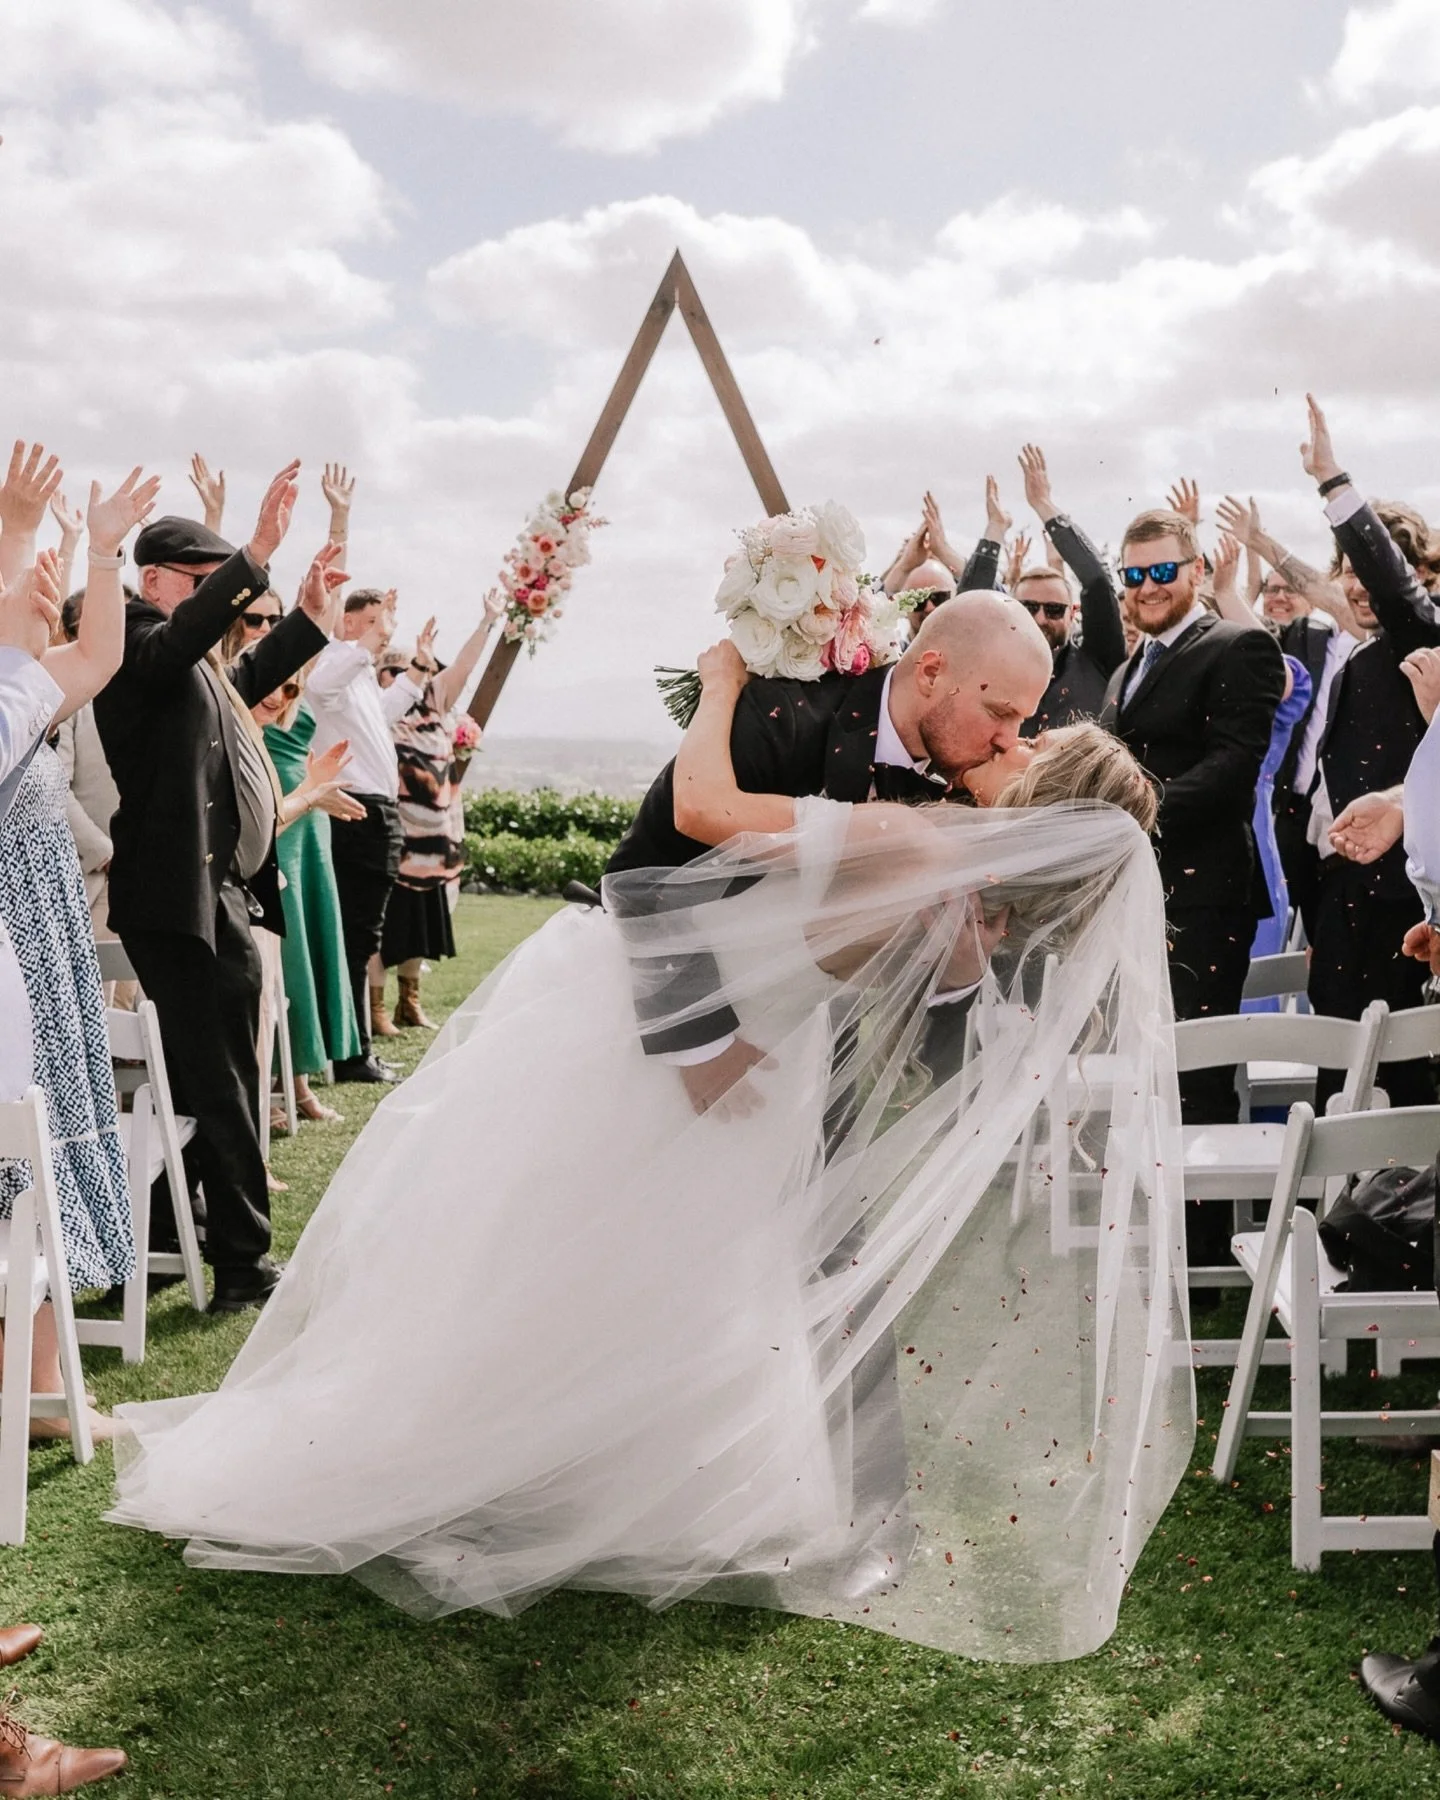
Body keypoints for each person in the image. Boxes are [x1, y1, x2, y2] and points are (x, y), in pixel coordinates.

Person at [108, 627, 1191, 1667]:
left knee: (602, 1265)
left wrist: (718, 689)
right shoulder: (957, 887)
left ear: (1044, 801)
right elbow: (796, 935)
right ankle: (575, 1473)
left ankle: (519, 1462)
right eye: (1013, 718)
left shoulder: (920, 845)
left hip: (727, 1054)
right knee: (636, 1272)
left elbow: (709, 812)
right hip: (724, 1047)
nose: (1014, 736)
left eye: (1032, 741)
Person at [607, 591, 1055, 1108]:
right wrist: (701, 1047)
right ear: (931, 672)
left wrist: (962, 977)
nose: (1009, 739)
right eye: (1000, 712)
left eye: (1022, 722)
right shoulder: (785, 717)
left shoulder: (967, 796)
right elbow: (643, 872)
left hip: (798, 1065)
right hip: (657, 1026)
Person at [93, 467, 348, 1314]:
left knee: (208, 1071)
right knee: (225, 1079)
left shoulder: (182, 657)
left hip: (212, 892)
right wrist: (258, 551)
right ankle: (243, 1263)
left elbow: (238, 684)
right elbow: (182, 649)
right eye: (202, 582)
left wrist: (308, 618)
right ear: (154, 580)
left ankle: (171, 1233)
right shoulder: (132, 637)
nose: (218, 599)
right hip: (177, 900)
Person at [0, 466, 161, 1449]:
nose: (37, 596)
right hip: (17, 948)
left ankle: (41, 1382)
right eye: (27, 589)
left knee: (51, 1137)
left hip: (49, 936)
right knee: (30, 1144)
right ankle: (31, 1387)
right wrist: (24, 536)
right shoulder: (11, 696)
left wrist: (101, 553)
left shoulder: (26, 689)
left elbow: (98, 653)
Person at [1101, 506, 1285, 1146]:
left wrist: (1130, 817)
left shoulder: (1237, 647)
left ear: (1197, 569)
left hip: (1203, 898)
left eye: (1162, 571)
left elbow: (1233, 768)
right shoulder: (1127, 668)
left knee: (1195, 1078)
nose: (1147, 587)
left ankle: (1206, 1213)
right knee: (1142, 1074)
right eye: (1134, 575)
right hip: (1132, 897)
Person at [1288, 397, 1440, 1110]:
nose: (1357, 583)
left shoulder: (1425, 640)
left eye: (1369, 568)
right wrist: (1318, 912)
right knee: (1333, 1086)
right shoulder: (1354, 660)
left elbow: (1394, 587)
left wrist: (1332, 481)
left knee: (1403, 1092)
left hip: (1408, 909)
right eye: (1345, 570)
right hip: (1345, 907)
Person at [1216, 491, 1360, 936]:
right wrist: (1229, 587)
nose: (1358, 587)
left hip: (1353, 814)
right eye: (1350, 573)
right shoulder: (1300, 640)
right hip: (1288, 811)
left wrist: (1258, 542)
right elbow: (1256, 642)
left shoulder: (1381, 641)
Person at [305, 586, 425, 1081]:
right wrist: (369, 643)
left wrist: (420, 664)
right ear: (349, 622)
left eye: (385, 622)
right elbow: (319, 689)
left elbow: (384, 712)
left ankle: (356, 1047)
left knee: (363, 933)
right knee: (357, 935)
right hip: (357, 815)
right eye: (373, 622)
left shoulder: (359, 675)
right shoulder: (333, 662)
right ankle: (352, 1054)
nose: (384, 632)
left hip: (378, 814)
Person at [374, 592, 504, 1030]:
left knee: (419, 925)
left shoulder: (435, 704)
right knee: (383, 925)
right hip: (392, 839)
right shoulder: (377, 711)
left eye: (417, 668)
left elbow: (465, 667)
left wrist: (487, 622)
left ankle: (409, 1003)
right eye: (394, 670)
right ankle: (375, 1007)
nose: (408, 676)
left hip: (432, 845)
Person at [255, 673, 364, 1116]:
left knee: (302, 949)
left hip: (308, 825)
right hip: (280, 826)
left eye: (290, 688)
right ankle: (267, 1091)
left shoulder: (292, 689)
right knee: (286, 955)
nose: (280, 694)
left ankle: (297, 1082)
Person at [1012, 444, 1127, 733]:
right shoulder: (992, 665)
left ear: (1072, 614)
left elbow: (1098, 582)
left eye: (1053, 610)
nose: (1040, 619)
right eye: (1029, 608)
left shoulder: (1097, 658)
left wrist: (1044, 506)